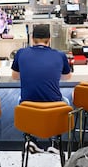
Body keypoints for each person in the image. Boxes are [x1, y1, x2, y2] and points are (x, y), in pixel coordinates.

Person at [11, 24, 72, 153]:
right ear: (49, 39)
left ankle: (30, 139)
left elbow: (15, 76)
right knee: (65, 101)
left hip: (28, 107)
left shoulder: (21, 53)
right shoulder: (60, 55)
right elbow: (67, 77)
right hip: (53, 107)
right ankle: (55, 142)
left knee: (19, 100)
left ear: (32, 39)